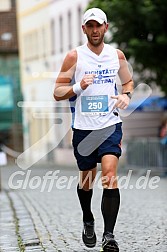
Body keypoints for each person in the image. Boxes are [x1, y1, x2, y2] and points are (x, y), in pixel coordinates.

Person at [54, 7, 134, 252]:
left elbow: (128, 82)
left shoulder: (116, 56)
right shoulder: (74, 57)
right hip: (83, 129)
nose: (95, 30)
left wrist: (126, 96)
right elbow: (57, 92)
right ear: (83, 29)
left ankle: (109, 236)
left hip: (110, 125)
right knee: (87, 180)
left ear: (106, 27)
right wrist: (78, 86)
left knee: (109, 175)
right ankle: (88, 218)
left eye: (98, 25)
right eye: (90, 25)